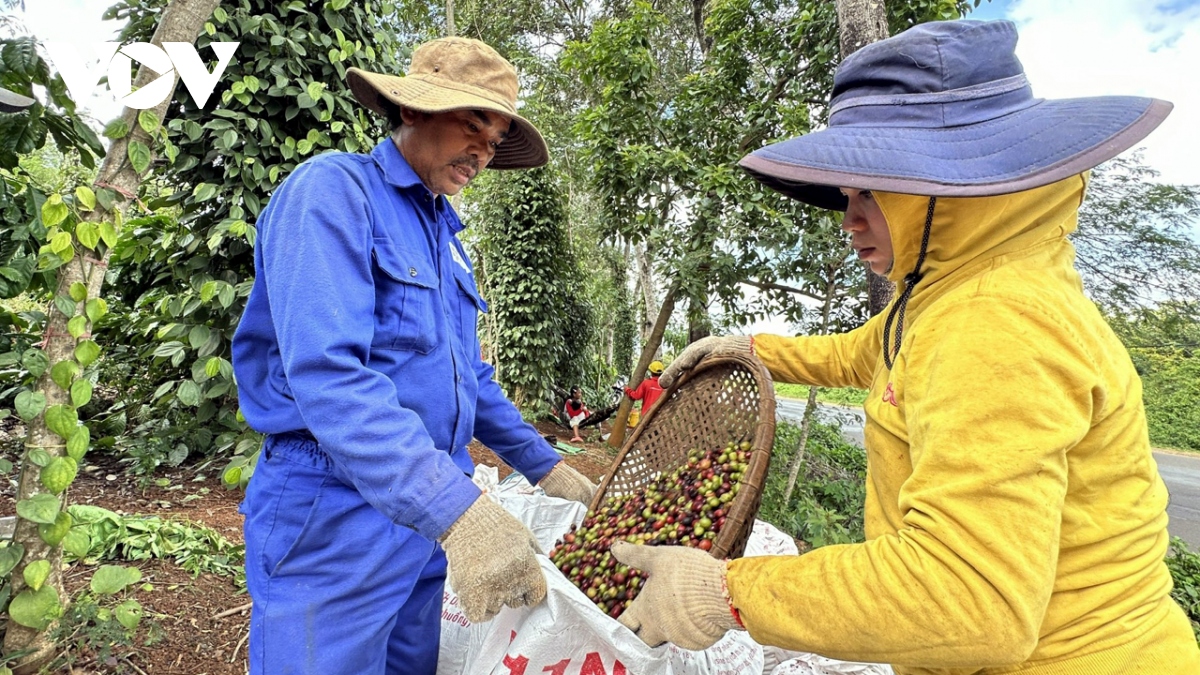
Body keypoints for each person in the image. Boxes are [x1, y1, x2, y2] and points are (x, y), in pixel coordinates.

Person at [609, 19, 1200, 674]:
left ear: (948, 185)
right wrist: (748, 344)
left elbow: (969, 598)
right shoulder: (944, 296)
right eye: (847, 195)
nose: (850, 220)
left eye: (872, 191)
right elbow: (856, 353)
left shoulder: (993, 323)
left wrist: (724, 590)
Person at [231, 37, 597, 675]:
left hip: (428, 510)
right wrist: (458, 513)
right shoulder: (334, 194)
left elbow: (470, 379)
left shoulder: (445, 235)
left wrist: (546, 468)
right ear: (411, 111)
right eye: (473, 123)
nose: (483, 149)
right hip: (337, 509)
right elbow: (330, 377)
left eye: (497, 136)